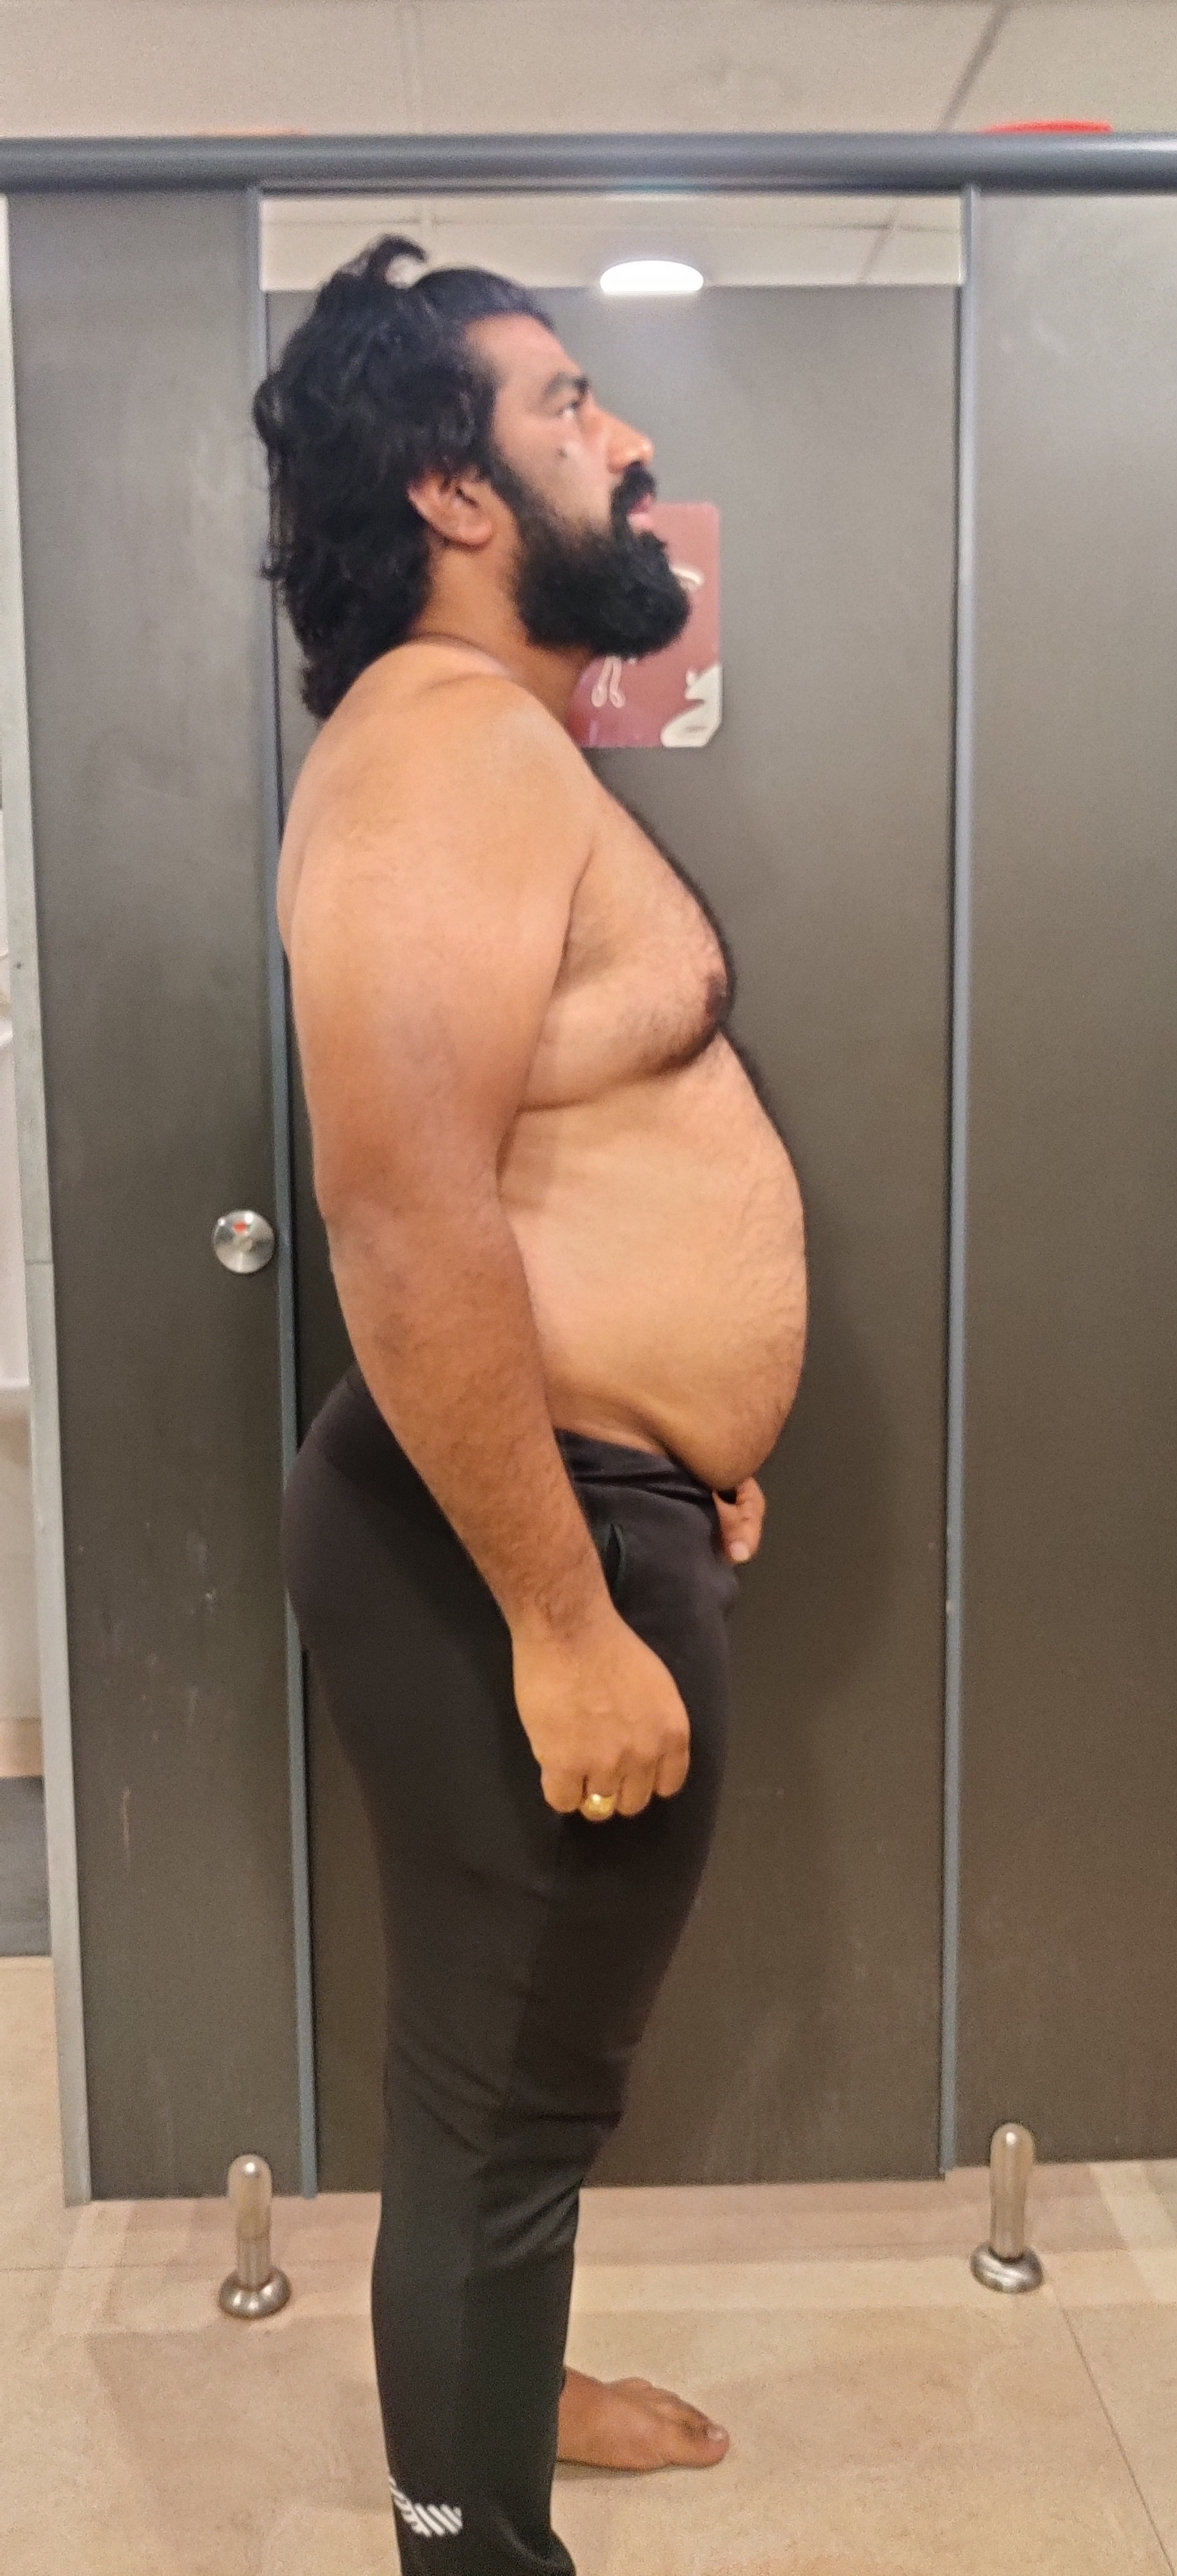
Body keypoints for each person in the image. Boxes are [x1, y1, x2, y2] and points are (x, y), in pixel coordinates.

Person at [255, 237, 808, 2575]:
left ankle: (519, 2392)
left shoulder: (490, 751)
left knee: (521, 2072)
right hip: (517, 1536)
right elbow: (397, 1207)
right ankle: (469, 2536)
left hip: (580, 1490)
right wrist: (569, 1612)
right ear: (451, 489)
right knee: (498, 2099)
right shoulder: (441, 744)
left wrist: (687, 1433)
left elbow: (531, 1158)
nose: (630, 440)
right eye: (570, 404)